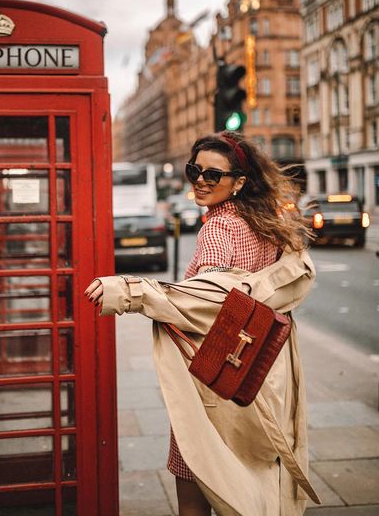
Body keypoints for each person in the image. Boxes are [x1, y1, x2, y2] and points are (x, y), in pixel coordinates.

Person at [85, 131, 317, 516]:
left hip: (214, 377)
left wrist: (128, 292)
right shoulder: (265, 223)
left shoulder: (218, 228)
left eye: (214, 175)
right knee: (254, 475)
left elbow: (208, 297)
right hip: (260, 373)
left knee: (193, 470)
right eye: (196, 170)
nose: (201, 181)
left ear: (239, 182)